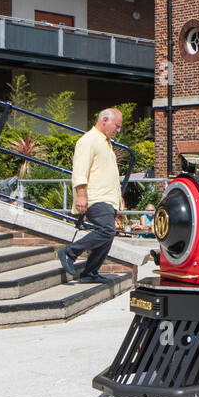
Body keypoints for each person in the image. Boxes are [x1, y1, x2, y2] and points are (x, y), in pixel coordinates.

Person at [58, 108, 125, 283]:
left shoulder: (106, 143)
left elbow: (108, 174)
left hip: (108, 199)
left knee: (108, 235)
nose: (118, 130)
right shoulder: (88, 140)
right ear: (104, 120)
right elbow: (80, 170)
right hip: (95, 197)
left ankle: (90, 273)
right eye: (117, 126)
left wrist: (118, 200)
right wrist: (81, 195)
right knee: (107, 230)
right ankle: (70, 252)